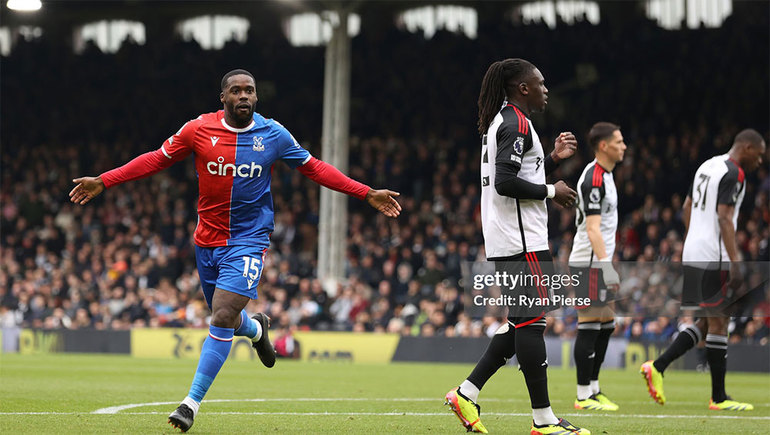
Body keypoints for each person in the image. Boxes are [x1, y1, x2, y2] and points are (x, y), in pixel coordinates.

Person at [69, 69, 401, 432]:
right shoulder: (197, 130)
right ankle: (257, 331)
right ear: (223, 97)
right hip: (207, 241)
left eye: (250, 91)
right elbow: (155, 159)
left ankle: (189, 403)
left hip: (248, 240)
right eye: (236, 91)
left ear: (256, 97)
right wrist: (105, 180)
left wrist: (366, 192)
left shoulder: (273, 134)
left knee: (222, 316)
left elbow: (314, 168)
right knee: (226, 316)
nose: (244, 96)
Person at [444, 58, 589, 435]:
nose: (545, 89)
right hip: (521, 238)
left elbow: (518, 172)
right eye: (540, 83)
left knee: (520, 322)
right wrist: (551, 190)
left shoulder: (503, 123)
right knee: (532, 322)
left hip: (511, 235)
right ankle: (543, 419)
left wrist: (552, 160)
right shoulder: (516, 123)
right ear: (522, 87)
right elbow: (507, 183)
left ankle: (466, 392)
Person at [640, 129, 765, 411]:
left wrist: (694, 236)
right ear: (746, 148)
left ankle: (658, 366)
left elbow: (687, 206)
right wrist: (734, 259)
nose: (759, 162)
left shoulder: (707, 166)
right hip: (713, 254)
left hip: (694, 249)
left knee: (709, 320)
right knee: (719, 321)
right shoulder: (735, 173)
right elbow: (724, 216)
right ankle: (718, 397)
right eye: (758, 156)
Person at [568, 122, 626, 411]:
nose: (623, 146)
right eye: (619, 141)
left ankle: (593, 388)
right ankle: (582, 395)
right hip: (588, 263)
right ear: (604, 146)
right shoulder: (595, 178)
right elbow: (592, 229)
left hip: (597, 261)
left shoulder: (606, 175)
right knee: (589, 325)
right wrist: (606, 266)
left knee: (607, 324)